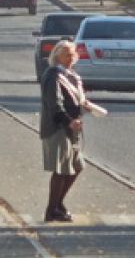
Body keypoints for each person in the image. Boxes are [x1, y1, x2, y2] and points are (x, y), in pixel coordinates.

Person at [39, 40, 103, 222]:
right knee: (62, 170)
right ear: (57, 56)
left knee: (76, 167)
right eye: (67, 54)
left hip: (72, 127)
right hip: (58, 127)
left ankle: (58, 205)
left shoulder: (71, 75)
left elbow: (77, 98)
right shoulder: (53, 75)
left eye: (73, 54)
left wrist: (87, 106)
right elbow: (55, 104)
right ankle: (52, 210)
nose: (71, 57)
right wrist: (68, 121)